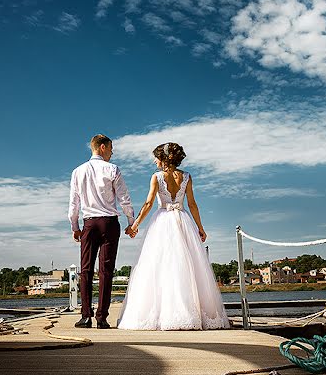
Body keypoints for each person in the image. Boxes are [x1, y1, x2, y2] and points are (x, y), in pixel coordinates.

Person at [117, 142, 229, 330]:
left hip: (163, 220)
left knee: (161, 266)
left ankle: (165, 314)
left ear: (164, 159)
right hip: (183, 220)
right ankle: (191, 314)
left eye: (156, 157)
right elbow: (192, 204)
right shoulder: (186, 177)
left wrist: (135, 225)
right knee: (188, 266)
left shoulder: (157, 177)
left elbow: (148, 203)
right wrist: (200, 228)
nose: (154, 161)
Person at [68, 134, 135, 329]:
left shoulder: (77, 171)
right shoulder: (113, 169)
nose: (113, 152)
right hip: (109, 223)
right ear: (103, 147)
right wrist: (131, 221)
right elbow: (124, 198)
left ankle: (85, 316)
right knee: (106, 271)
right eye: (111, 148)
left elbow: (74, 203)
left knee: (86, 270)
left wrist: (75, 226)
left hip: (89, 223)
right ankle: (102, 318)